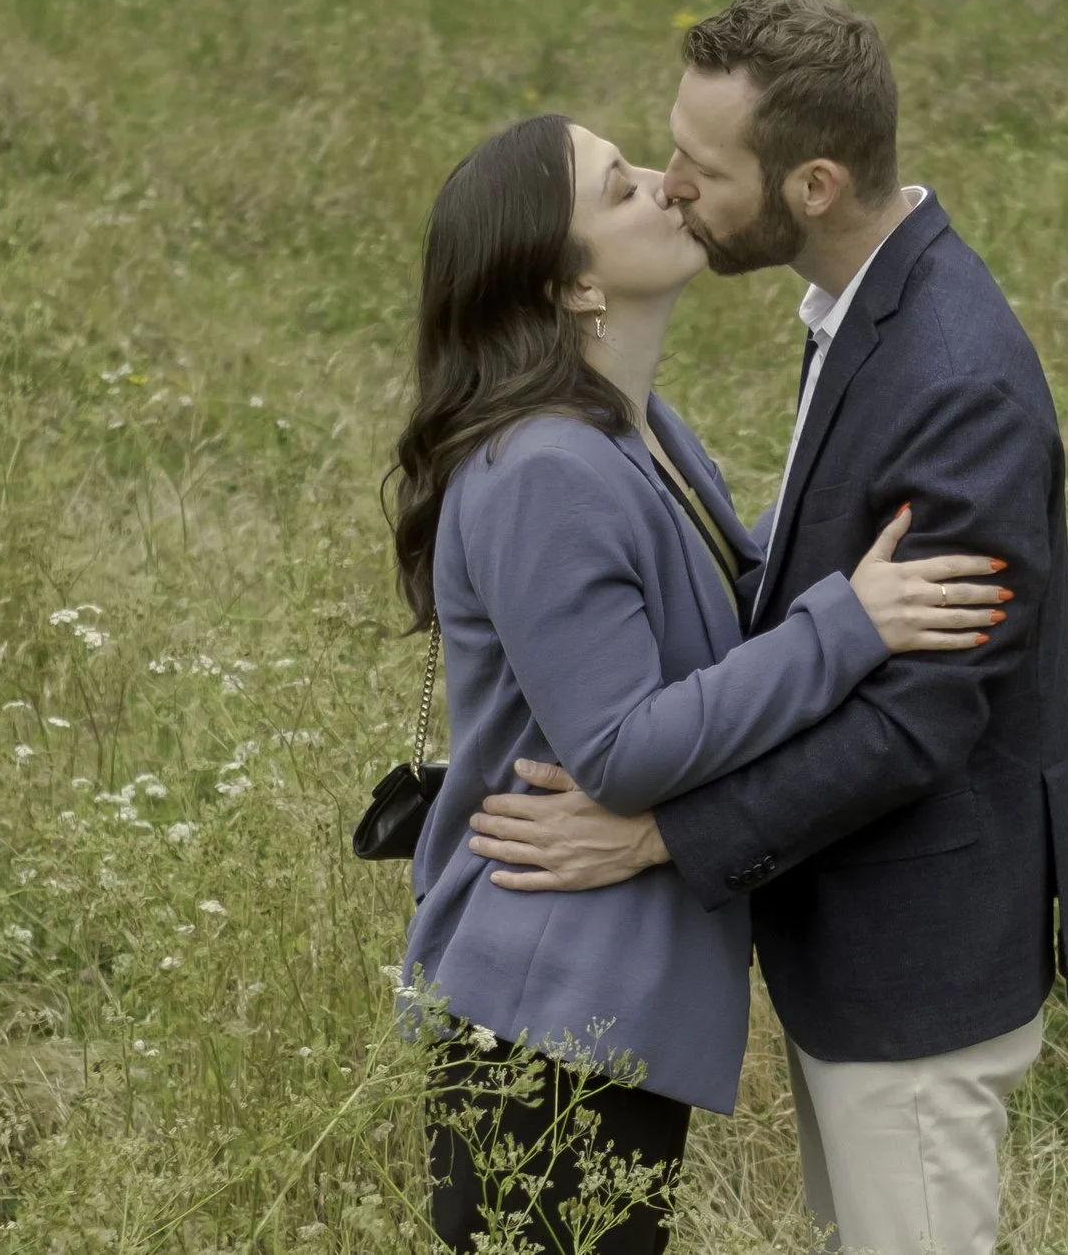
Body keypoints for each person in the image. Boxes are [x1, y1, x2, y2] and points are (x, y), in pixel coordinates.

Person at [464, 0, 1068, 1255]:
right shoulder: (857, 311)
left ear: (811, 183)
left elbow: (921, 718)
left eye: (704, 170)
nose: (671, 186)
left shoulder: (953, 376)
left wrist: (663, 832)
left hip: (918, 955)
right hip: (858, 942)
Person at [389, 113, 1013, 1254]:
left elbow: (723, 609)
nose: (663, 186)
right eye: (619, 188)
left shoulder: (635, 430)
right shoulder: (543, 469)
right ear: (571, 281)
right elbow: (621, 748)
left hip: (599, 995)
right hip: (548, 1009)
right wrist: (849, 622)